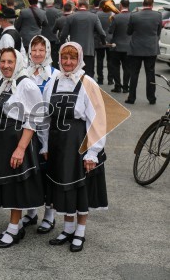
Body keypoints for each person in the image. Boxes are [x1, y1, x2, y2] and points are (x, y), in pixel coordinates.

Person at [41, 42, 108, 252]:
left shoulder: (88, 83)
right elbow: (45, 117)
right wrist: (45, 144)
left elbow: (98, 120)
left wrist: (92, 152)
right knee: (64, 187)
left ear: (79, 59)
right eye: (64, 57)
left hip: (78, 142)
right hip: (57, 143)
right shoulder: (53, 81)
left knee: (80, 188)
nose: (68, 62)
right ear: (59, 59)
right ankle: (68, 228)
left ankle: (80, 232)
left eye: (72, 58)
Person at [0, 47, 44, 248]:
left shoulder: (26, 84)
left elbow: (35, 118)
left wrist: (21, 148)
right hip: (0, 142)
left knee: (16, 187)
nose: (6, 65)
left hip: (16, 141)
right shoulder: (1, 81)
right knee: (8, 186)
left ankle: (13, 228)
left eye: (10, 62)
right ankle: (15, 227)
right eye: (3, 61)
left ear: (17, 62)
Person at [20, 35, 60, 233]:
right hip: (27, 131)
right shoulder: (23, 72)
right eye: (34, 50)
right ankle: (31, 212)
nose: (37, 54)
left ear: (48, 52)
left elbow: (48, 111)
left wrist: (45, 143)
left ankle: (50, 215)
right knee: (29, 174)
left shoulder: (55, 75)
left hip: (47, 133)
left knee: (47, 174)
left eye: (41, 50)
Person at [125, 0, 162, 105]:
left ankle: (131, 98)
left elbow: (129, 32)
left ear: (143, 3)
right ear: (152, 4)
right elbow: (158, 32)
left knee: (134, 74)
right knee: (150, 73)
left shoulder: (134, 15)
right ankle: (151, 98)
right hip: (151, 48)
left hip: (136, 48)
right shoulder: (158, 15)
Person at [60, 0, 106, 78]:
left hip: (74, 50)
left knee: (74, 74)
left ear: (77, 5)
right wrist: (103, 42)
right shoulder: (94, 17)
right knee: (88, 75)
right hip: (89, 50)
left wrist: (63, 46)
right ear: (87, 6)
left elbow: (63, 35)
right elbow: (102, 33)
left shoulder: (71, 17)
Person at [108, 0, 131, 93]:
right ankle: (126, 87)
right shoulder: (133, 16)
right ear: (128, 6)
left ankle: (117, 86)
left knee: (115, 67)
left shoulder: (116, 17)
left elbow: (110, 31)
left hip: (116, 46)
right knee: (127, 68)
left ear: (120, 5)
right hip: (128, 46)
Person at [92, 0, 112, 85]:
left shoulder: (96, 15)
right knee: (110, 60)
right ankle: (110, 79)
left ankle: (100, 79)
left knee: (99, 60)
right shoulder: (111, 14)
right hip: (110, 40)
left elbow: (94, 28)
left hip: (98, 40)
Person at [42, 0, 62, 67]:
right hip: (54, 37)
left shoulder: (42, 11)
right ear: (53, 2)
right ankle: (54, 72)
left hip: (44, 36)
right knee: (54, 56)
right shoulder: (58, 12)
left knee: (44, 56)